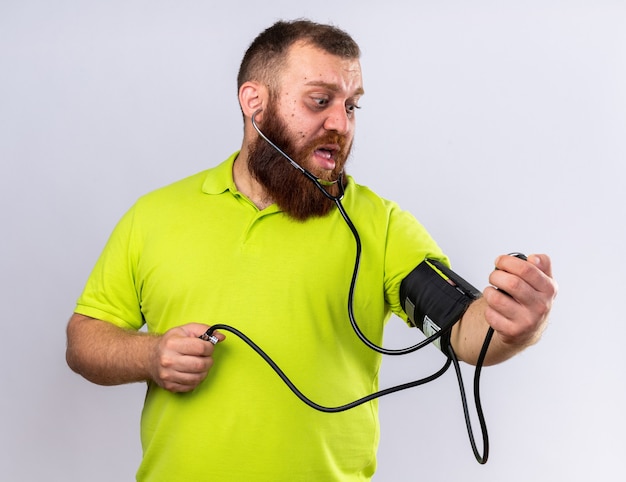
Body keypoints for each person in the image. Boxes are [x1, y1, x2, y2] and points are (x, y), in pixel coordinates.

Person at [65, 19, 557, 482]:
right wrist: (151, 355)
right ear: (253, 101)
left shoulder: (380, 224)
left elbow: (463, 328)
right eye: (320, 100)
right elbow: (84, 340)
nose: (340, 124)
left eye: (352, 105)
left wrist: (514, 322)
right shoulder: (154, 216)